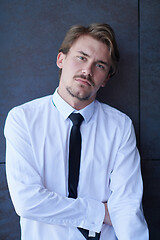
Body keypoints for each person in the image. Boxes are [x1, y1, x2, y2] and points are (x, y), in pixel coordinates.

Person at [4, 23, 149, 240]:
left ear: (106, 79)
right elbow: (27, 202)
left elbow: (127, 208)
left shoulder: (120, 127)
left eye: (100, 65)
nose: (87, 71)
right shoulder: (23, 119)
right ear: (61, 59)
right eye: (81, 57)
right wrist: (101, 212)